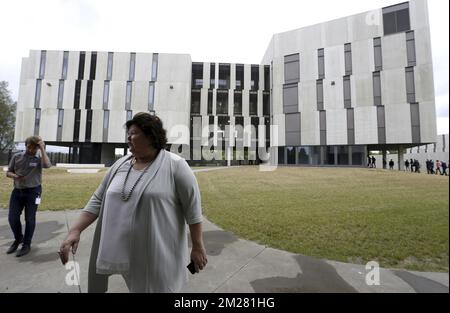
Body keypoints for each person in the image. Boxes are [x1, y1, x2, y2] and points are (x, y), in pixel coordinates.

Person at [59, 113, 208, 293]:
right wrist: (75, 230)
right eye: (128, 133)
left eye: (134, 133)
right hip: (120, 252)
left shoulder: (176, 166)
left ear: (151, 136)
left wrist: (198, 247)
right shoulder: (120, 165)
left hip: (157, 255)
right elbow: (98, 199)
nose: (128, 137)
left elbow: (193, 211)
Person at [6, 136, 51, 257]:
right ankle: (18, 238)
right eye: (29, 147)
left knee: (30, 219)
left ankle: (26, 244)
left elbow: (48, 165)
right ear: (25, 146)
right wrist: (14, 176)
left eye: (34, 148)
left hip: (34, 192)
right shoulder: (17, 157)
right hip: (17, 191)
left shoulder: (39, 159)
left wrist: (42, 148)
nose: (31, 150)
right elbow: (8, 172)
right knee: (12, 218)